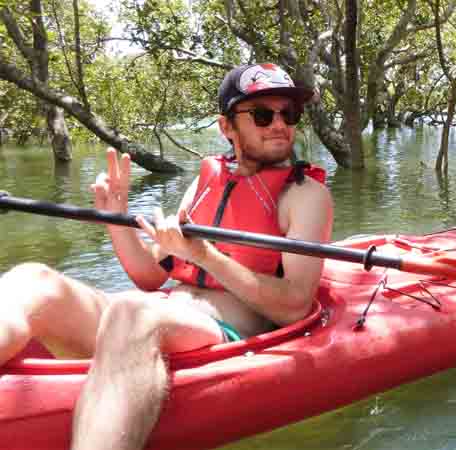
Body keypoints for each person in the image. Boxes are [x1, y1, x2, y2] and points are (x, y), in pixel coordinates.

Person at [0, 63, 333, 450]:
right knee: (32, 279)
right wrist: (116, 220)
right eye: (262, 114)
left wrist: (205, 255)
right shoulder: (207, 181)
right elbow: (151, 276)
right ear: (227, 127)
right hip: (167, 313)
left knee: (132, 311)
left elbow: (295, 306)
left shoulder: (305, 194)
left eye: (289, 114)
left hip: (227, 331)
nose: (280, 124)